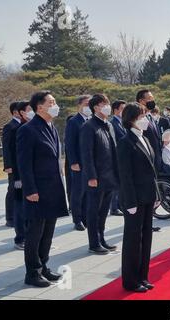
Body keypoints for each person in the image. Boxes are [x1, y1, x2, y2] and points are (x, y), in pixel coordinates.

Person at [17, 91, 67, 288]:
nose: (55, 105)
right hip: (37, 190)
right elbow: (24, 163)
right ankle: (32, 272)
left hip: (52, 189)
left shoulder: (51, 126)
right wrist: (30, 189)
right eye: (51, 102)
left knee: (48, 231)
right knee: (35, 233)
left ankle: (43, 266)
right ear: (39, 107)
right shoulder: (28, 130)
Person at [117, 104, 158, 293]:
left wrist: (157, 194)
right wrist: (130, 201)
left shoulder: (145, 138)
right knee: (133, 240)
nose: (146, 119)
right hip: (134, 199)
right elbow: (125, 175)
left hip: (148, 196)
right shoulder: (126, 142)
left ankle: (143, 276)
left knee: (146, 237)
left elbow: (151, 171)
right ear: (131, 119)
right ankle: (131, 280)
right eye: (142, 116)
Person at [80, 94, 119, 255]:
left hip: (110, 176)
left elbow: (114, 150)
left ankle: (101, 238)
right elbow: (86, 154)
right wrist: (91, 176)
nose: (107, 107)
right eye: (104, 104)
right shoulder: (89, 127)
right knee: (93, 211)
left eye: (108, 103)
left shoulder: (108, 125)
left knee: (103, 211)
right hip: (96, 177)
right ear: (95, 107)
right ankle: (93, 242)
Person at [136, 90, 163, 232]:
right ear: (141, 101)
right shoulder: (138, 117)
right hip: (146, 161)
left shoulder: (150, 116)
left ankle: (148, 221)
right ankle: (143, 223)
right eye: (149, 99)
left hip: (155, 158)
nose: (153, 101)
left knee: (152, 192)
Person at [64, 95, 92, 231]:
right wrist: (73, 162)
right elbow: (69, 144)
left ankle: (86, 217)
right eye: (86, 104)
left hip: (91, 163)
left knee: (89, 192)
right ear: (79, 106)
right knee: (78, 192)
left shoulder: (92, 120)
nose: (88, 107)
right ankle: (77, 219)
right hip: (79, 163)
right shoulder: (74, 121)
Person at [11, 101, 35, 250]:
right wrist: (17, 177)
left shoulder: (33, 127)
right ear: (21, 113)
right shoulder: (17, 129)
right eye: (29, 109)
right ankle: (20, 238)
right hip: (21, 176)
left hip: (32, 176)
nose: (32, 112)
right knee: (20, 208)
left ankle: (30, 237)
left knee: (31, 209)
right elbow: (15, 156)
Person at [2, 101, 21, 228]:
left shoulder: (23, 124)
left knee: (19, 190)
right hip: (13, 165)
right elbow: (6, 147)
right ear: (15, 112)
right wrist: (8, 165)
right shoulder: (10, 126)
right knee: (12, 189)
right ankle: (10, 218)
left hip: (21, 163)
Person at [109, 100, 127, 217]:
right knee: (116, 184)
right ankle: (114, 207)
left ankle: (120, 205)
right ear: (116, 110)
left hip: (123, 156)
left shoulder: (123, 122)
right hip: (116, 157)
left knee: (122, 183)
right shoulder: (112, 123)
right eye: (122, 109)